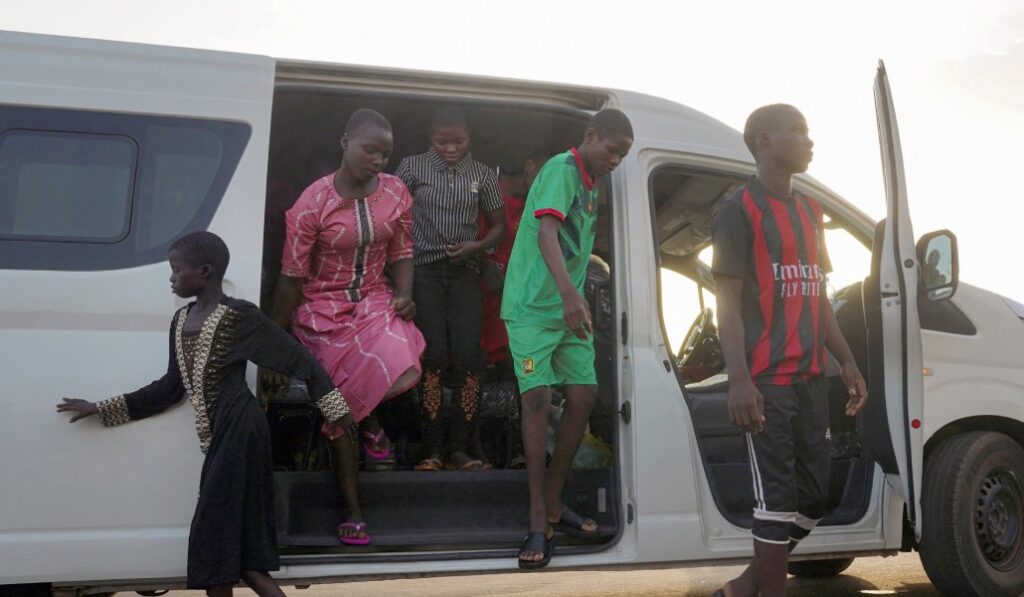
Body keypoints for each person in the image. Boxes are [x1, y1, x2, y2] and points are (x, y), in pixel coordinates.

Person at [56, 231, 356, 596]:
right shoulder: (181, 320)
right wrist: (101, 408)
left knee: (213, 541)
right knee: (240, 555)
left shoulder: (238, 315)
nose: (170, 278)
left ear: (205, 271)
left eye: (175, 270)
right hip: (221, 439)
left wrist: (335, 410)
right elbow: (169, 388)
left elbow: (298, 359)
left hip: (242, 432)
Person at [710, 104, 868, 597]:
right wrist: (739, 380)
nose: (809, 139)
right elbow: (728, 304)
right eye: (797, 131)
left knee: (815, 499)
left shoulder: (808, 211)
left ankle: (743, 587)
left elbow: (816, 294)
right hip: (765, 382)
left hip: (809, 378)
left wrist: (846, 359)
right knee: (776, 501)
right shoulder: (736, 210)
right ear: (763, 142)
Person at [270, 108, 425, 545]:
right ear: (345, 143)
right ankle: (353, 509)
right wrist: (275, 342)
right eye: (369, 150)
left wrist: (405, 293)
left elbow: (404, 250)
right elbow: (290, 277)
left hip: (375, 300)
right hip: (322, 313)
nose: (378, 160)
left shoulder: (396, 192)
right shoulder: (310, 205)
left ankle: (369, 421)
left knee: (404, 360)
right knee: (339, 408)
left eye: (385, 153)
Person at [501, 109, 634, 569]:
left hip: (565, 311)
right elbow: (547, 234)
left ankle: (555, 499)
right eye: (612, 148)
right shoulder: (562, 170)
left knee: (584, 395)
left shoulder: (591, 182)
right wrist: (569, 293)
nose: (617, 159)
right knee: (536, 399)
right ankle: (538, 519)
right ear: (591, 136)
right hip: (533, 311)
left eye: (624, 154)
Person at [395, 105, 504, 472]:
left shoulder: (483, 174)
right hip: (423, 271)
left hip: (464, 273)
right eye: (443, 142)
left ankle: (460, 448)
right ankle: (432, 449)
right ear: (431, 138)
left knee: (469, 359)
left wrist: (477, 247)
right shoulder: (411, 168)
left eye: (459, 141)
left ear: (469, 138)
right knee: (434, 358)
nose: (452, 148)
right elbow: (392, 217)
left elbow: (498, 227)